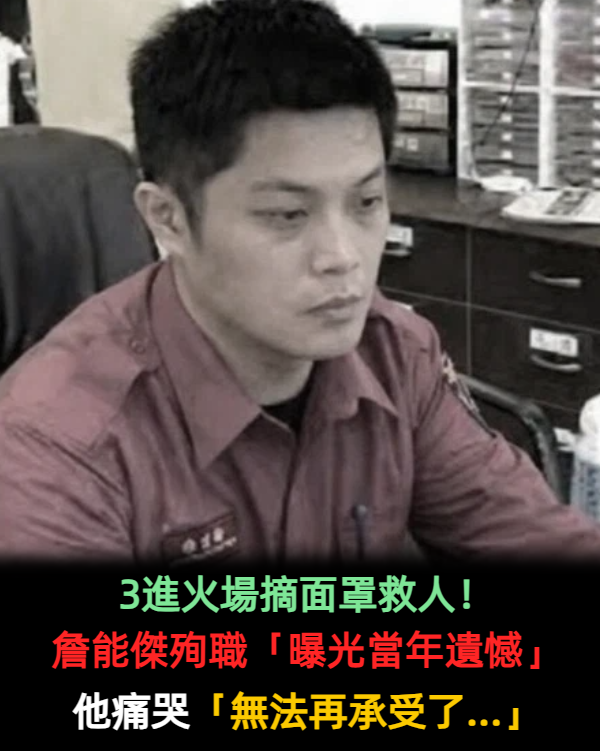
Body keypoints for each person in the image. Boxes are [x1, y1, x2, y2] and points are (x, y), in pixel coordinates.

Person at [0, 0, 599, 563]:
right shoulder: (59, 444)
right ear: (168, 219)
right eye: (287, 215)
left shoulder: (396, 356)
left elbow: (528, 532)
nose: (343, 258)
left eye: (366, 202)